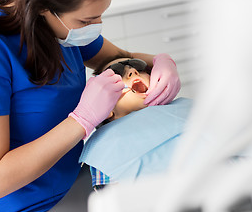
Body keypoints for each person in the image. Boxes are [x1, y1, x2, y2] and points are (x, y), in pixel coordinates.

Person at [0, 0, 181, 212]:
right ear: (43, 7)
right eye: (85, 21)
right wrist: (81, 120)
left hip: (77, 182)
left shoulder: (56, 27)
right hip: (24, 206)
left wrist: (160, 61)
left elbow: (118, 59)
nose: (95, 28)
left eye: (100, 16)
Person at [79, 55, 193, 190]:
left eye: (137, 65)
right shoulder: (104, 147)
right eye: (116, 72)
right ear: (105, 108)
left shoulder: (182, 106)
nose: (133, 71)